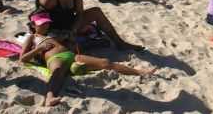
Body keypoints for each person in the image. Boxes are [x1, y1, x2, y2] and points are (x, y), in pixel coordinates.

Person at [20, 12, 155, 106]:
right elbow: (22, 59)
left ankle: (139, 72)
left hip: (72, 55)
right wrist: (38, 49)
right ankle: (49, 98)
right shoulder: (31, 38)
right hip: (55, 58)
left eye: (46, 23)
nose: (45, 26)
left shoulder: (52, 33)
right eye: (41, 24)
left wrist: (69, 41)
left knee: (105, 62)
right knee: (57, 74)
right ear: (33, 25)